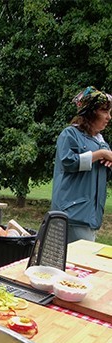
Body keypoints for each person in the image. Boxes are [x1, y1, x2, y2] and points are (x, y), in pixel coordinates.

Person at [52, 86, 112, 243]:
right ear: (90, 112)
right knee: (71, 263)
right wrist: (100, 154)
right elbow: (68, 162)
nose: (109, 117)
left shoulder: (101, 142)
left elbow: (103, 174)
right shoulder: (69, 134)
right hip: (71, 215)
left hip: (91, 217)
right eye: (104, 111)